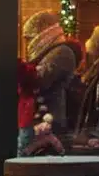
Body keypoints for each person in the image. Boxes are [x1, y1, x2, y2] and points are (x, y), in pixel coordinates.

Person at [19, 11, 79, 154]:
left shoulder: (62, 52)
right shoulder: (50, 52)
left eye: (29, 38)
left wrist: (20, 68)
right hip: (37, 122)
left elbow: (41, 78)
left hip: (51, 122)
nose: (28, 43)